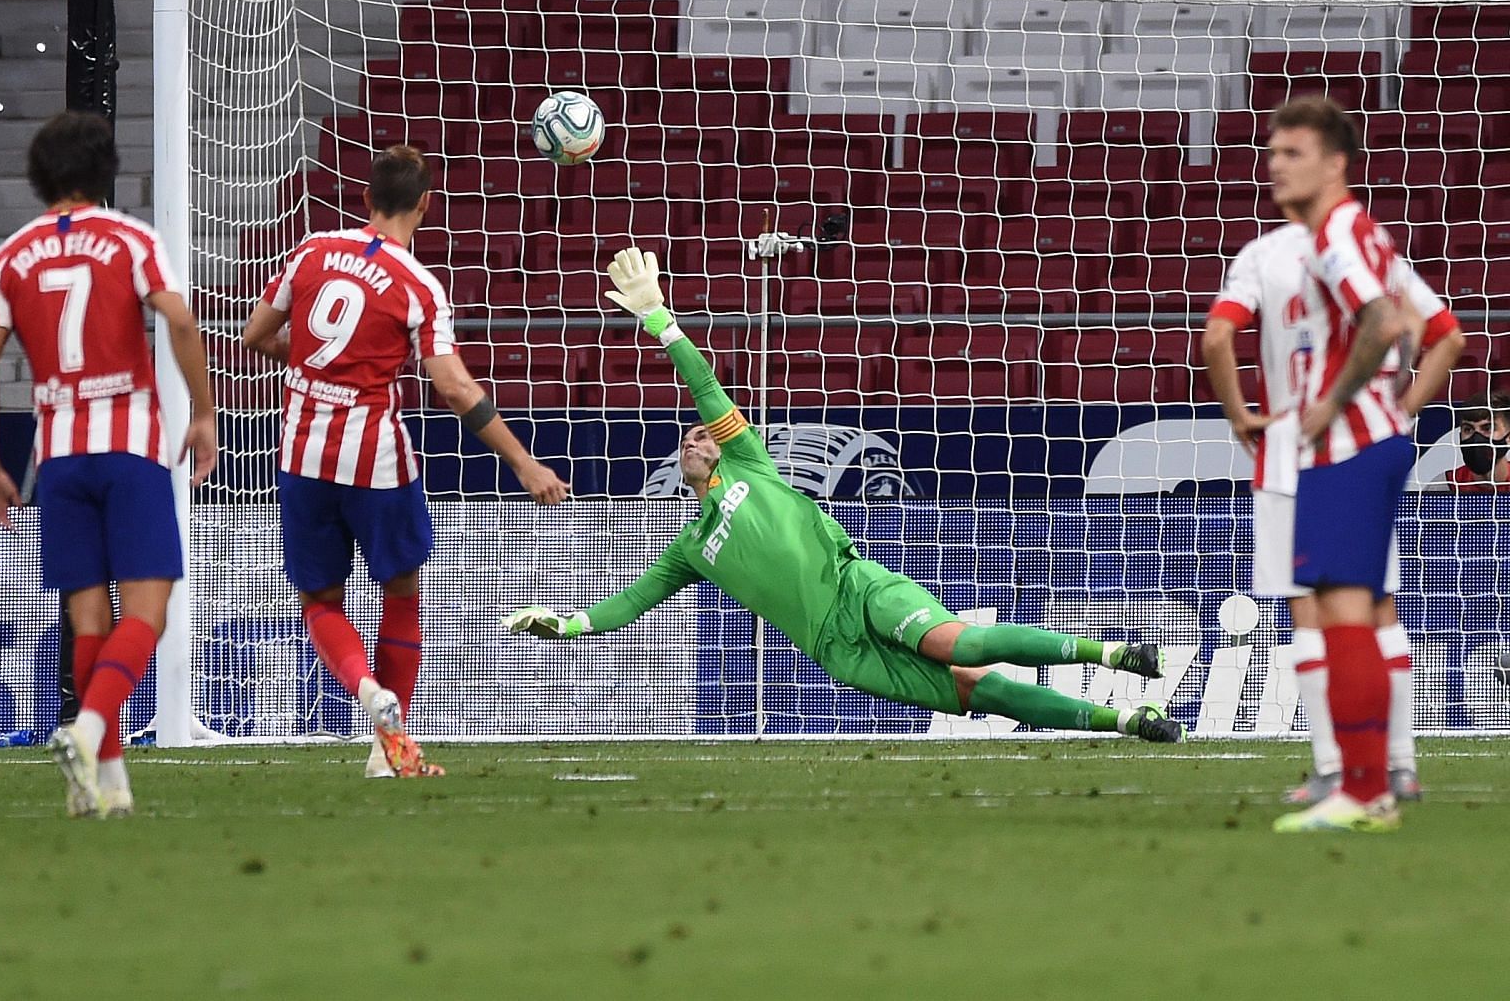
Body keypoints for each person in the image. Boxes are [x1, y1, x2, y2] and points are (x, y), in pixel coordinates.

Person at [504, 247, 1183, 746]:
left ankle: (1108, 655)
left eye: (700, 436)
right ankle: (1121, 719)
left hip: (860, 587)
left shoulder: (749, 461)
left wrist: (660, 319)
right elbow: (628, 603)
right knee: (978, 693)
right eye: (685, 441)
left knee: (958, 643)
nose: (694, 439)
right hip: (839, 649)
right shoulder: (690, 549)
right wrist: (566, 626)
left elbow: (707, 390)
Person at [241, 144, 570, 778]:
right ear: (425, 204)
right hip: (376, 460)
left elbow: (254, 336)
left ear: (365, 198)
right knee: (402, 593)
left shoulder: (309, 251)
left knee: (319, 600)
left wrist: (315, 368)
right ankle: (389, 750)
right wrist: (523, 464)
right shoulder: (418, 284)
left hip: (302, 453)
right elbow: (453, 387)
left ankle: (365, 689)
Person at [0, 111, 218, 819]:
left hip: (62, 455)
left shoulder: (8, 258)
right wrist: (201, 413)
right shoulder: (131, 238)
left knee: (88, 620)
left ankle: (105, 786)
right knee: (147, 612)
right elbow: (177, 318)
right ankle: (87, 729)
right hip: (130, 447)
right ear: (105, 173)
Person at [1204, 202, 1463, 806]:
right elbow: (1446, 337)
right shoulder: (1375, 254)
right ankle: (1397, 767)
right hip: (1361, 452)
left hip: (1291, 457)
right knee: (1377, 610)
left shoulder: (1265, 255)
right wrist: (1399, 413)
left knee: (1310, 615)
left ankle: (1333, 771)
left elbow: (1218, 334)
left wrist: (1239, 414)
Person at [1263, 96, 1446, 834]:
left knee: (1343, 616)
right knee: (1350, 615)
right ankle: (1366, 788)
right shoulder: (1361, 231)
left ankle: (1363, 789)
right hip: (1368, 439)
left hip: (1350, 444)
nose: (1276, 166)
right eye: (1273, 153)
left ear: (1335, 164)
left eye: (1293, 153)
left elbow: (1382, 321)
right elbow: (1422, 325)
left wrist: (1333, 401)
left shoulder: (1336, 232)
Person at [1441, 387, 1510, 490]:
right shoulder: (1445, 485)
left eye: (1487, 428)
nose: (1476, 438)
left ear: (1508, 437)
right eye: (1468, 429)